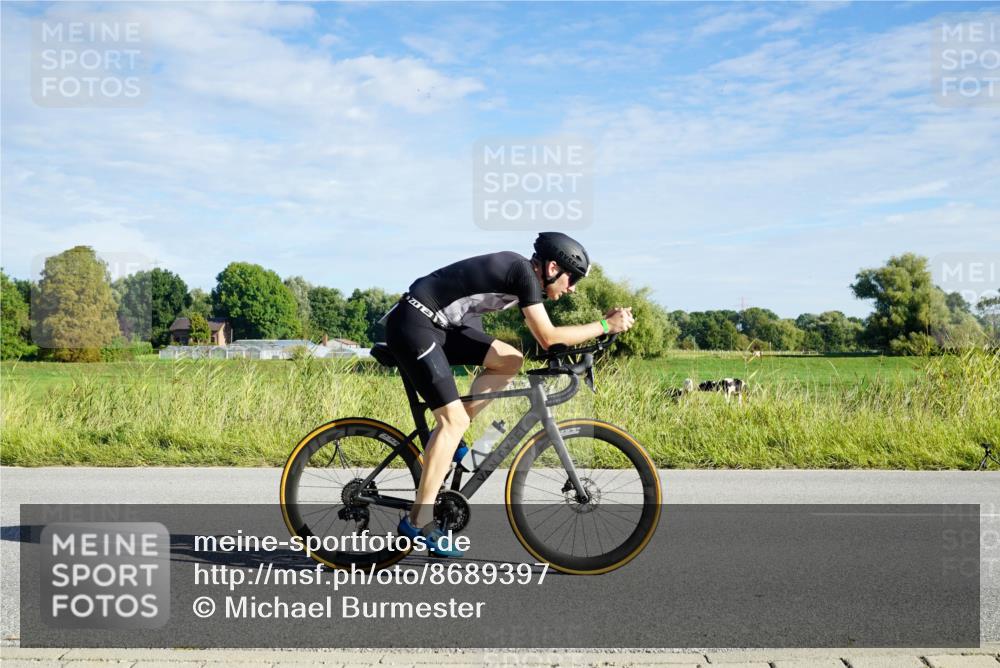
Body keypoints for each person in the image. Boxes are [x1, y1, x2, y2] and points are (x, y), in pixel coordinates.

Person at [384, 232, 635, 557]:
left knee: (509, 359)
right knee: (452, 420)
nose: (572, 288)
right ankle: (419, 521)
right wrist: (605, 324)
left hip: (439, 324)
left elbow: (540, 341)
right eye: (571, 278)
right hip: (414, 324)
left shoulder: (520, 279)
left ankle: (451, 442)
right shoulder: (522, 273)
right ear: (552, 267)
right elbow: (548, 338)